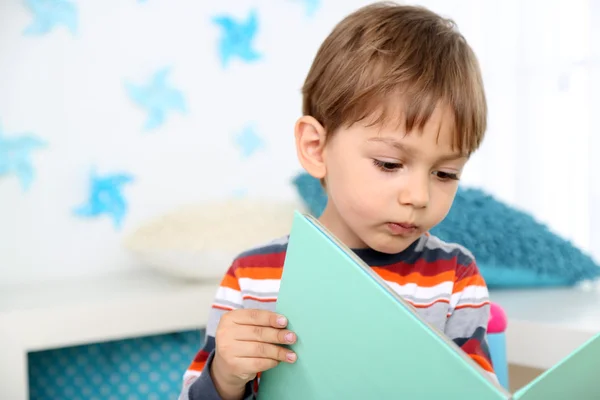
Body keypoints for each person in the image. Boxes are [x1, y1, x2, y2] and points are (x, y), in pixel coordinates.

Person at [180, 2, 494, 399]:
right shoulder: (253, 277)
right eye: (390, 163)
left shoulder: (454, 278)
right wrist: (225, 376)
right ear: (316, 147)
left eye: (445, 174)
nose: (418, 196)